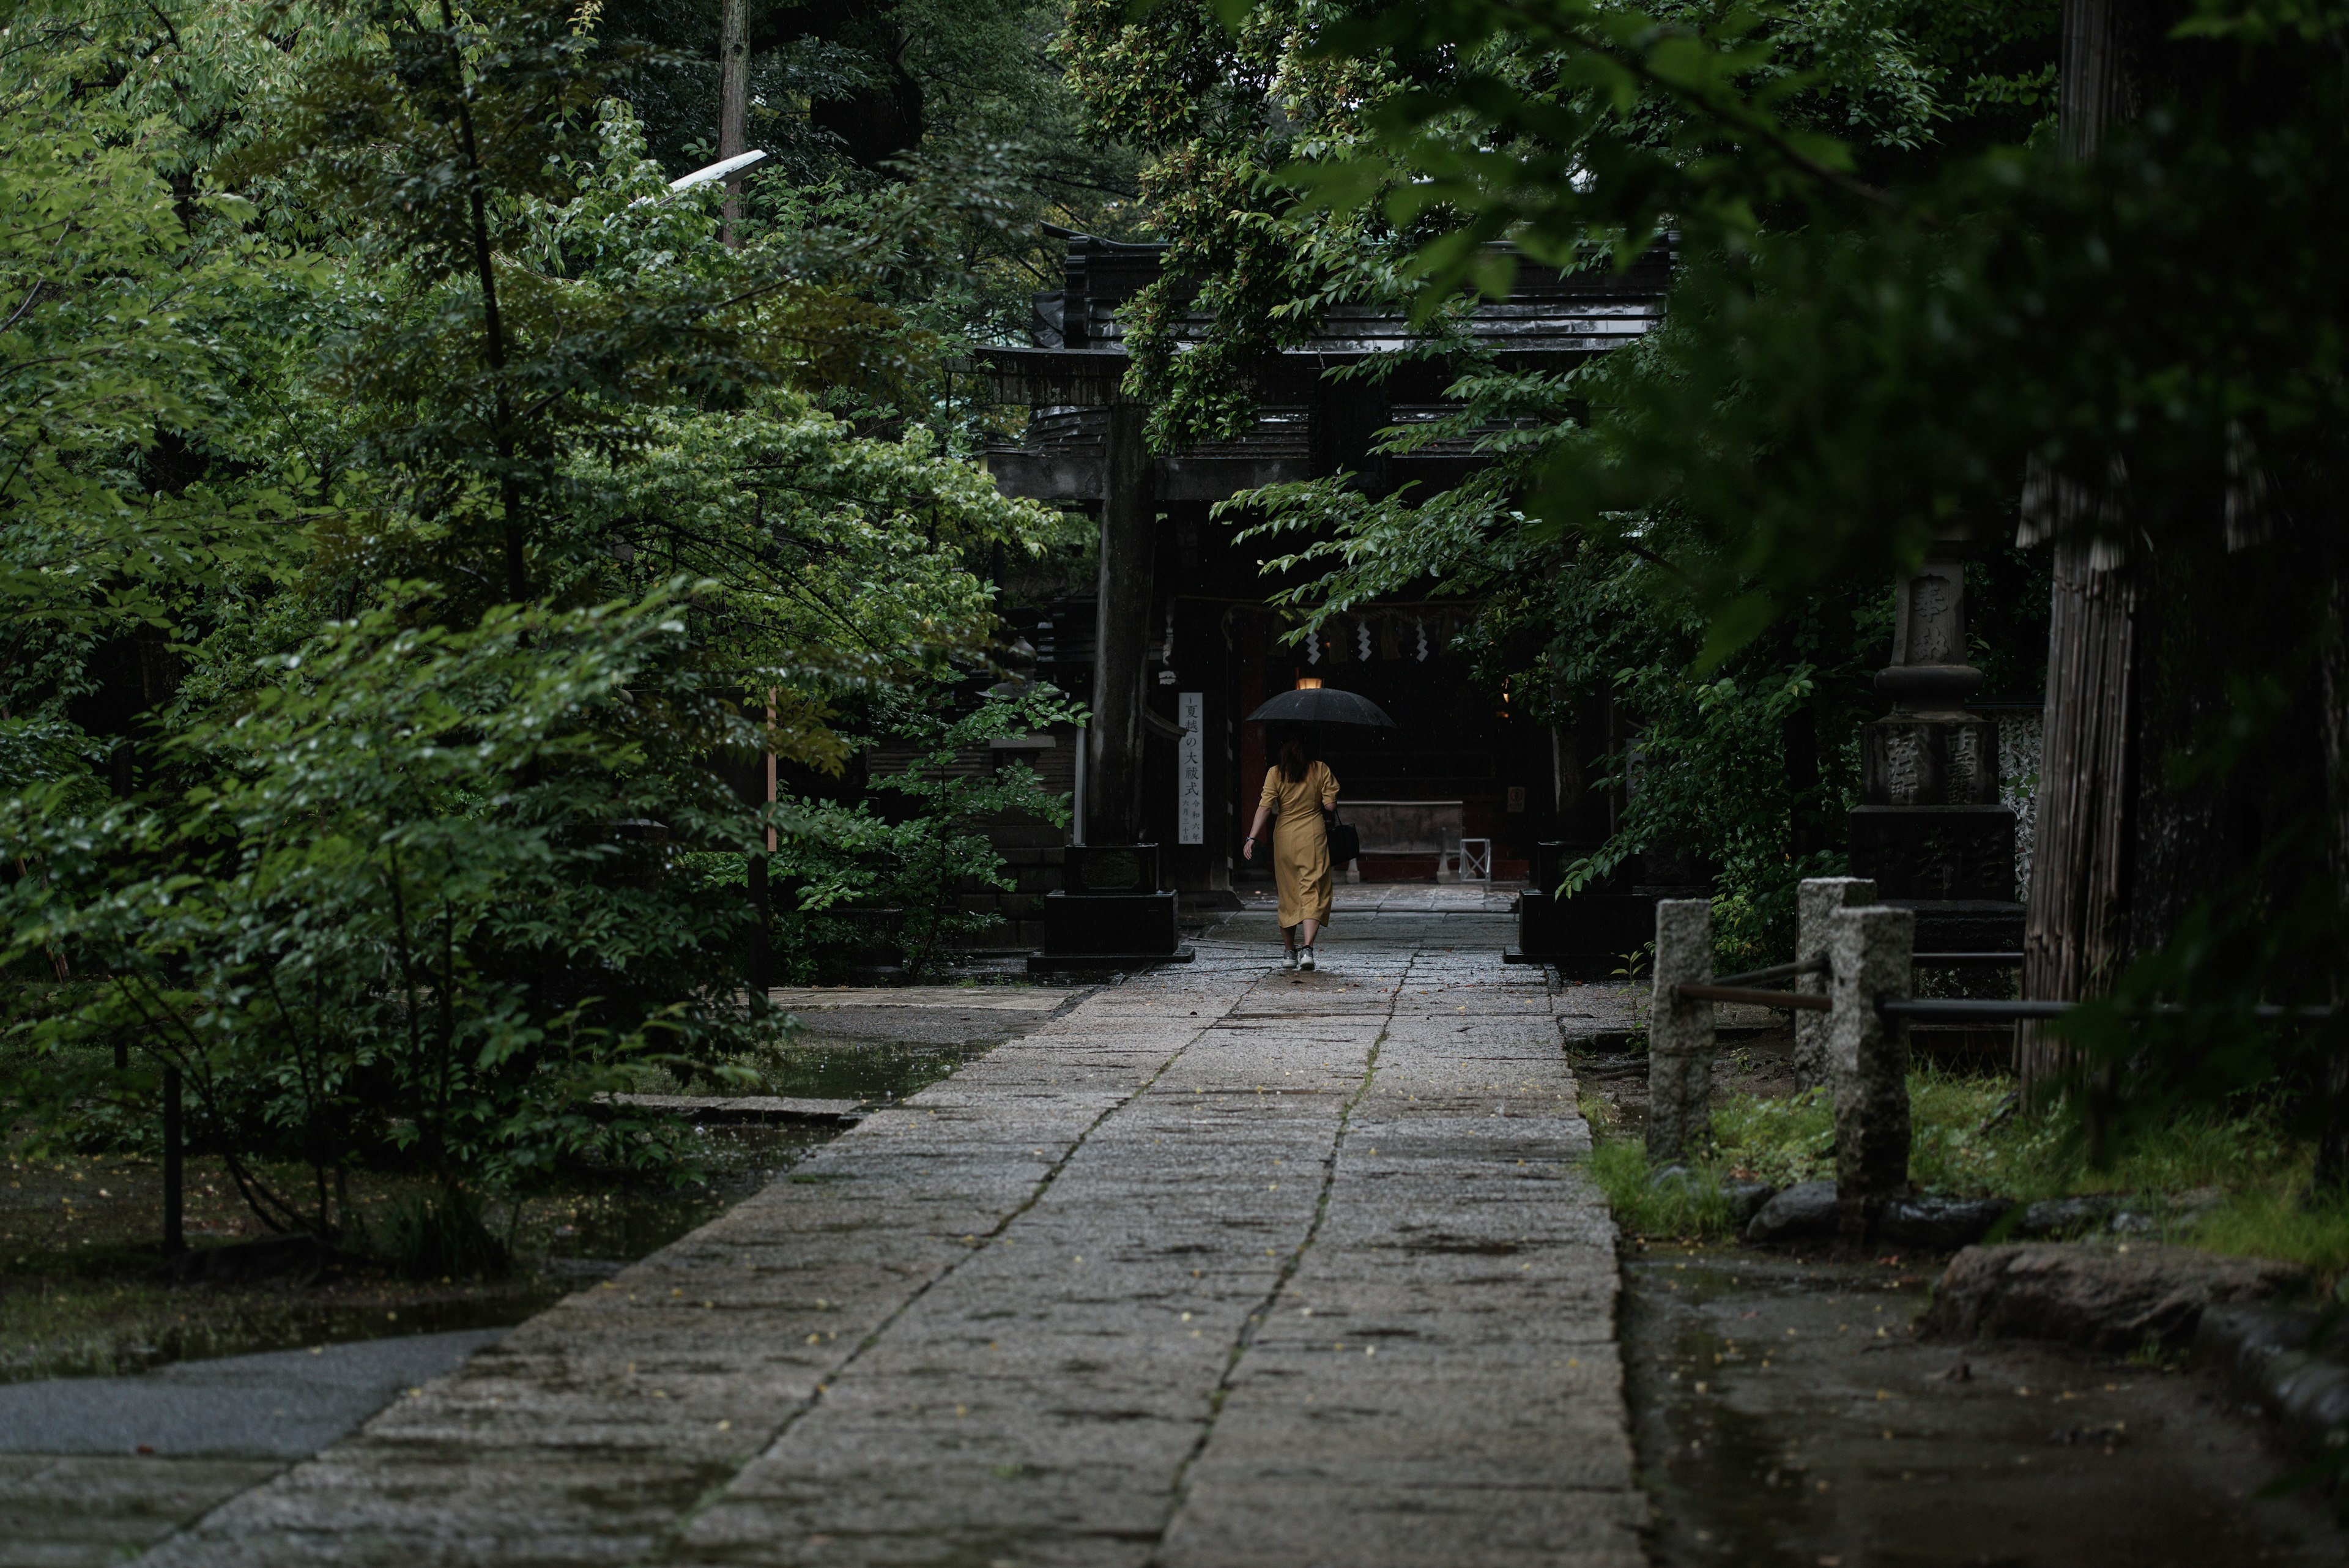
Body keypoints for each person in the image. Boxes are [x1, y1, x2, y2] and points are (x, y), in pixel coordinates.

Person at [1241, 729, 1340, 970]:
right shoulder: (1320, 769)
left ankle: (1288, 953)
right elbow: (1329, 807)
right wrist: (1328, 793)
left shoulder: (1275, 773)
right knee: (1312, 890)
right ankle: (1307, 949)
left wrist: (1252, 837)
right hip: (1312, 836)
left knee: (1288, 894)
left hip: (1284, 837)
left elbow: (1265, 806)